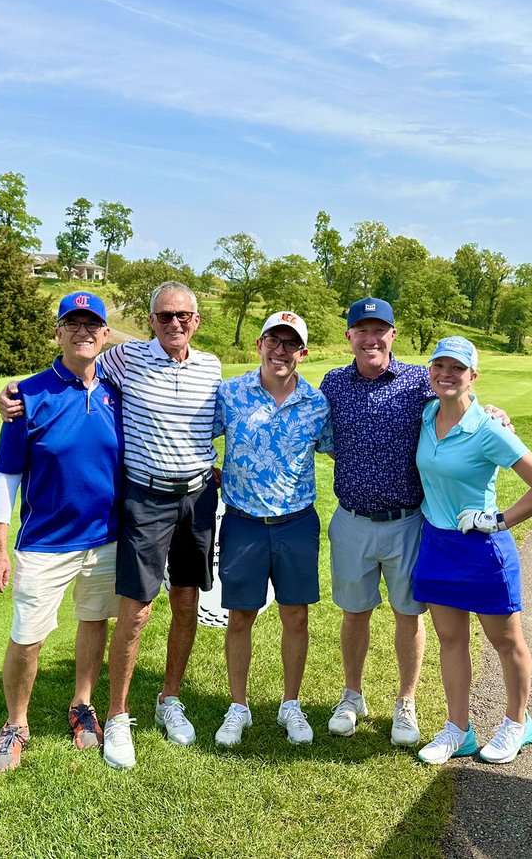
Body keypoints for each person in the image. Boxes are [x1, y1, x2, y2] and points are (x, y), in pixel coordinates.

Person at [0, 281, 222, 770]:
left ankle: (167, 700)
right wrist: (12, 394)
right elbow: (70, 371)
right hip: (143, 501)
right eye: (164, 316)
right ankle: (113, 717)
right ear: (151, 321)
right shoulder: (126, 361)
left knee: (185, 600)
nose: (175, 323)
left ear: (196, 320)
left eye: (183, 315)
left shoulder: (211, 367)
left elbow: (225, 421)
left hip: (196, 499)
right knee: (134, 613)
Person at [319, 298, 511, 747]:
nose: (371, 339)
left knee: (409, 614)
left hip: (408, 521)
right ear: (349, 336)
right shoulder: (333, 383)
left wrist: (496, 415)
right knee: (355, 611)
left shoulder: (415, 382)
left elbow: (458, 400)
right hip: (351, 520)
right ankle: (352, 696)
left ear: (392, 334)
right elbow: (323, 436)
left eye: (379, 330)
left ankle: (405, 702)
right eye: (361, 330)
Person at [0, 291, 123, 772]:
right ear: (59, 332)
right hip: (44, 541)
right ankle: (16, 724)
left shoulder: (118, 391)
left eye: (93, 324)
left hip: (105, 536)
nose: (83, 331)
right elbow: (7, 476)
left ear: (105, 333)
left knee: (94, 620)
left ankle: (82, 704)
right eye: (73, 323)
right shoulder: (26, 395)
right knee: (27, 636)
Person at [412, 336, 532, 766]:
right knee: (451, 639)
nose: (446, 374)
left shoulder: (489, 428)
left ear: (473, 376)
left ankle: (518, 723)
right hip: (437, 545)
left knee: (505, 638)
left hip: (482, 550)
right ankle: (459, 729)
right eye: (439, 365)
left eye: (457, 368)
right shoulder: (426, 415)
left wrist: (497, 520)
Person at [210, 311, 333, 747]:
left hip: (297, 522)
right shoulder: (231, 393)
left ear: (302, 352)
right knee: (240, 615)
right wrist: (211, 469)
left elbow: (344, 449)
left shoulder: (316, 404)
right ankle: (238, 706)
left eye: (290, 344)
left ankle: (291, 705)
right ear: (259, 345)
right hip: (243, 522)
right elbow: (197, 434)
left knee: (295, 614)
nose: (280, 351)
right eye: (272, 341)